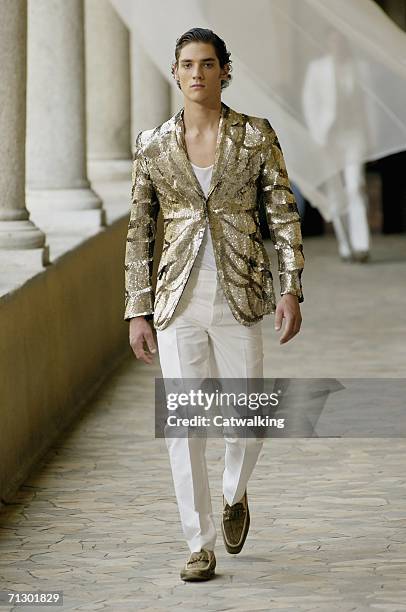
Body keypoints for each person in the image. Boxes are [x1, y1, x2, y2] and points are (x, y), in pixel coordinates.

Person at [124, 27, 305, 582]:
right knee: (185, 425)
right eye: (186, 64)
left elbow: (282, 215)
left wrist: (290, 286)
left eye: (207, 63)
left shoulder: (255, 137)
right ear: (175, 73)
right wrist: (137, 308)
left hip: (241, 294)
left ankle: (234, 492)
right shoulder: (152, 145)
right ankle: (198, 544)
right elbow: (139, 230)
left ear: (225, 71)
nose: (197, 73)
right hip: (177, 299)